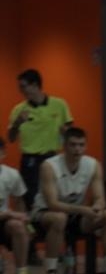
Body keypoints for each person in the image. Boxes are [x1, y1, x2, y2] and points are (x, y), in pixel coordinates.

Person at [32, 127, 106, 274]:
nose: (77, 149)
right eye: (73, 145)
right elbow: (52, 204)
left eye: (81, 145)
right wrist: (83, 210)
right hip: (44, 214)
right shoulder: (49, 166)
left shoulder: (93, 165)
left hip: (75, 215)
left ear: (86, 146)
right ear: (64, 146)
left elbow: (100, 198)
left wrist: (97, 207)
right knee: (59, 218)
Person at [7, 69, 74, 210]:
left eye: (23, 86)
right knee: (30, 198)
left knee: (53, 196)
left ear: (35, 85)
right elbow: (11, 138)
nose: (21, 90)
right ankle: (32, 222)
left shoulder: (59, 104)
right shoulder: (18, 109)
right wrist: (18, 122)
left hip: (52, 158)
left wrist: (66, 132)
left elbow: (70, 132)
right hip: (30, 159)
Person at [0, 138, 43, 274]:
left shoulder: (11, 174)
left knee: (18, 226)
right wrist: (9, 213)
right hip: (4, 215)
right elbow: (12, 212)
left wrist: (27, 225)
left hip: (3, 223)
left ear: (3, 153)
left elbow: (19, 202)